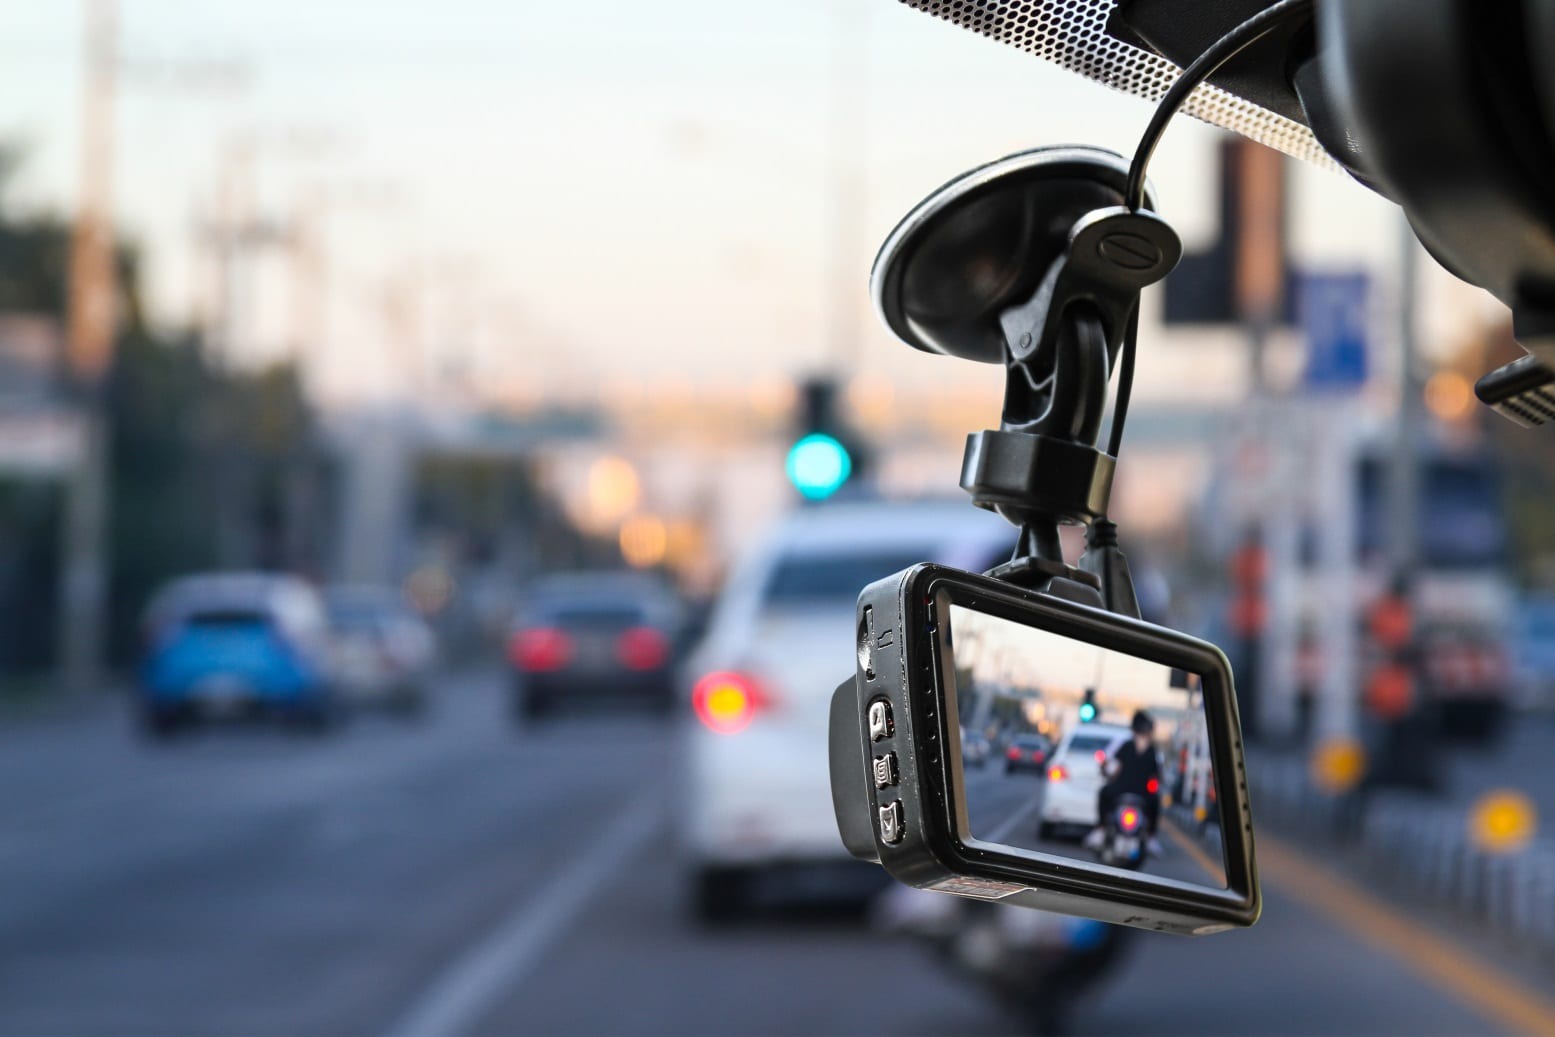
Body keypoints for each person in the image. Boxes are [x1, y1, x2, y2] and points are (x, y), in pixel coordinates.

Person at [1084, 710, 1163, 857]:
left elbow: (1115, 767)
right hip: (1138, 793)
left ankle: (1100, 830)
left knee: (1104, 792)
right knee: (1155, 800)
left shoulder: (1132, 746)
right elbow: (1157, 776)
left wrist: (1107, 772)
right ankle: (1151, 837)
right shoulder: (1145, 748)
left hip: (1123, 789)